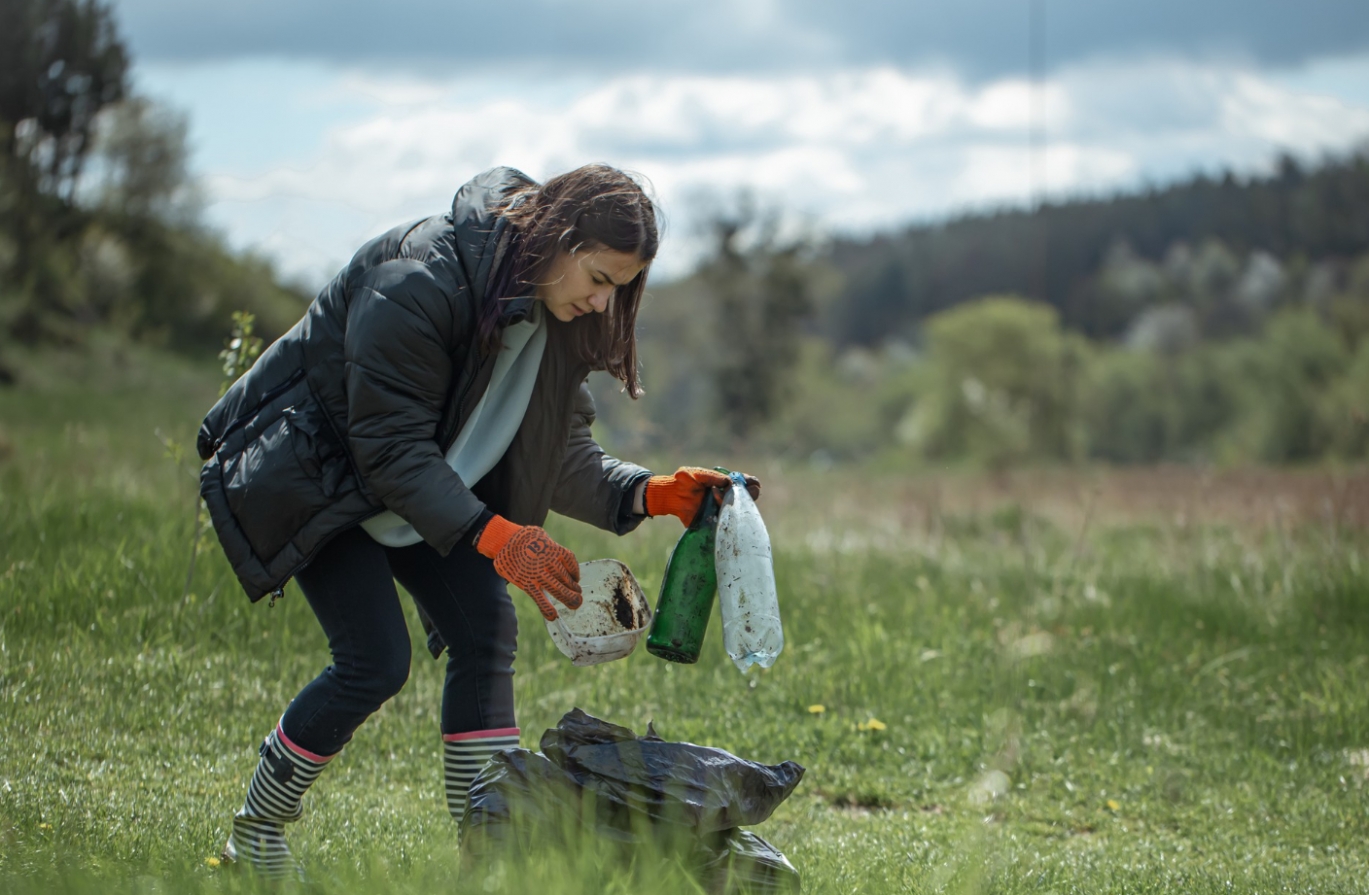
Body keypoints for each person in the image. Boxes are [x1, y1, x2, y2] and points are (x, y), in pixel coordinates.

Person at [194, 164, 759, 877]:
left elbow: (559, 455)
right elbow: (388, 450)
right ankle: (256, 836)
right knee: (375, 661)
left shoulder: (558, 315)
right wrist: (501, 538)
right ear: (557, 238)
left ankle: (486, 859)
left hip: (431, 495)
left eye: (621, 286)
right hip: (324, 481)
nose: (602, 300)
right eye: (598, 277)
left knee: (486, 630)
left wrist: (651, 493)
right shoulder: (416, 281)